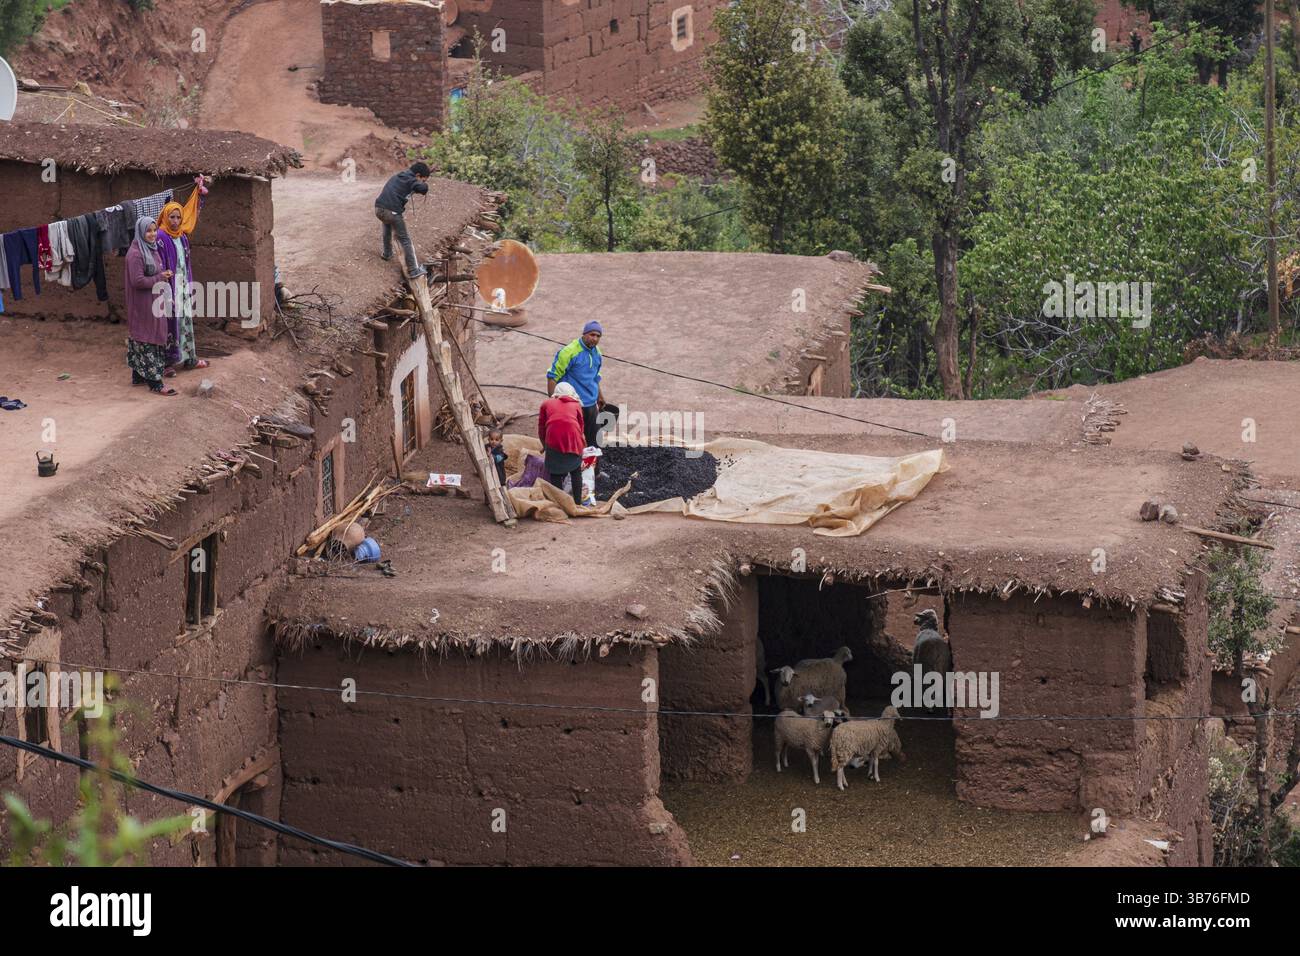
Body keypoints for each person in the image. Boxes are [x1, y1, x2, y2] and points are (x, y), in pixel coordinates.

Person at [156, 178, 210, 375]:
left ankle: (189, 358)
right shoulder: (161, 236)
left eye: (178, 217)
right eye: (172, 217)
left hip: (183, 286)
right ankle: (166, 363)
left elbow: (185, 264)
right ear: (165, 217)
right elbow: (158, 264)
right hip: (168, 287)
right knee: (169, 323)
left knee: (185, 320)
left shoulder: (182, 236)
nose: (176, 221)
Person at [124, 217, 177, 396]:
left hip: (154, 301)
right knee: (147, 338)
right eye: (148, 231)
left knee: (147, 336)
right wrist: (160, 277)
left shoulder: (150, 249)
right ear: (140, 232)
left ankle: (139, 375)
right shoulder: (135, 254)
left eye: (154, 230)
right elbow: (137, 281)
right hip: (143, 304)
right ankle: (155, 382)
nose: (153, 234)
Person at [546, 320, 606, 449]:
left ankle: (594, 468)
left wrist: (599, 396)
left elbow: (595, 376)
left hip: (590, 404)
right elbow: (552, 376)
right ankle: (574, 468)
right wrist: (553, 404)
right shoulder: (569, 352)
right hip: (572, 405)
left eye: (598, 336)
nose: (595, 339)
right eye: (592, 334)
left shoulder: (597, 353)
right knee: (573, 441)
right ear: (584, 334)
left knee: (595, 441)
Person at [375, 161, 431, 278]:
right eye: (423, 179)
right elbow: (422, 188)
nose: (422, 182)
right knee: (405, 239)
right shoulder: (412, 180)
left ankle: (387, 253)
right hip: (391, 211)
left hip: (379, 208)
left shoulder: (399, 176)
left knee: (387, 227)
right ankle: (413, 269)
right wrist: (425, 186)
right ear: (418, 175)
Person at [537, 382, 586, 505]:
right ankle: (577, 503)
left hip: (553, 440)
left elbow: (541, 428)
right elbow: (581, 428)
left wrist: (545, 446)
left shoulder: (546, 404)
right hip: (573, 440)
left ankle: (560, 503)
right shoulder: (576, 405)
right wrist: (581, 444)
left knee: (555, 473)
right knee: (576, 471)